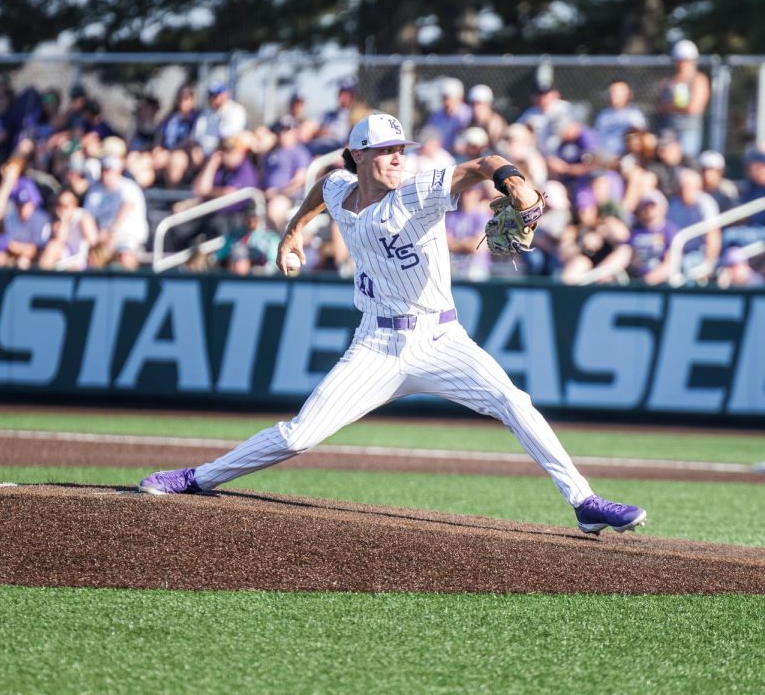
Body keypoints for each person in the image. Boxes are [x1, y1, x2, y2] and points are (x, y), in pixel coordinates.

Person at [138, 112, 647, 535]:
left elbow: (482, 164)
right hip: (377, 344)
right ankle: (198, 478)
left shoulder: (417, 191)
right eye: (385, 150)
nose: (398, 157)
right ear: (358, 156)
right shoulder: (342, 188)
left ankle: (584, 502)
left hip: (442, 338)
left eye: (401, 148)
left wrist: (511, 180)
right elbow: (323, 188)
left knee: (514, 402)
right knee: (298, 437)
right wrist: (293, 231)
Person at [83, 155, 148, 259]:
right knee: (95, 255)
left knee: (125, 256)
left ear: (118, 171)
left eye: (109, 170)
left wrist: (111, 232)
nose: (106, 174)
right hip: (103, 238)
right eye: (104, 170)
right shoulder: (95, 190)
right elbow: (87, 216)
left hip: (128, 236)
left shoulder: (128, 186)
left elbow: (127, 206)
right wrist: (96, 239)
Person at [654, 40, 710, 159]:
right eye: (680, 60)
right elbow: (659, 107)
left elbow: (693, 108)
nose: (682, 64)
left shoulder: (699, 79)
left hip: (688, 131)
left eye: (686, 60)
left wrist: (669, 106)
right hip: (668, 131)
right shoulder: (668, 82)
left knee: (687, 162)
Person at [39, 189, 99, 271]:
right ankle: (42, 277)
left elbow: (93, 241)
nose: (61, 209)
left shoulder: (82, 217)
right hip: (64, 257)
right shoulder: (55, 221)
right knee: (52, 246)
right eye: (58, 205)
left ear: (74, 205)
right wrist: (63, 222)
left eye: (65, 206)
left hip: (80, 260)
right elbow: (59, 240)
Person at [593, 79, 647, 160]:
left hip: (625, 159)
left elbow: (637, 141)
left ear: (628, 94)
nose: (613, 95)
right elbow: (596, 138)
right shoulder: (603, 115)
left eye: (617, 92)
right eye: (612, 91)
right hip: (603, 159)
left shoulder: (634, 115)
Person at [193, 82, 247, 158]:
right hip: (203, 153)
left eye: (217, 95)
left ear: (226, 95)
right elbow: (196, 136)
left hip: (225, 153)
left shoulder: (235, 110)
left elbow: (230, 136)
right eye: (211, 95)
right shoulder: (205, 113)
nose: (214, 99)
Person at [424, 77, 472, 152]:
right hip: (441, 154)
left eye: (448, 98)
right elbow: (430, 136)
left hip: (462, 155)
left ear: (459, 97)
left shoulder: (467, 114)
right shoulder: (437, 115)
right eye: (443, 98)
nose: (446, 102)